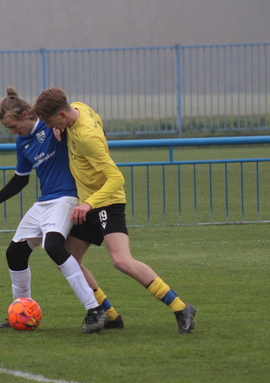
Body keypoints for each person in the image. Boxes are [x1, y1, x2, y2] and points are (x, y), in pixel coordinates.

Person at [32, 88, 196, 334]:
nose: (46, 125)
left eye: (50, 121)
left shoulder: (87, 137)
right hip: (88, 203)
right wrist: (59, 129)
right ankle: (110, 315)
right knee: (67, 260)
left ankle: (181, 307)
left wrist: (89, 204)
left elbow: (116, 178)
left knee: (121, 260)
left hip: (107, 202)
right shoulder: (79, 106)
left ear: (63, 114)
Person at [0, 87, 123, 333]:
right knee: (15, 253)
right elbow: (20, 179)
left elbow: (73, 114)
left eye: (13, 126)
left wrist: (60, 128)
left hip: (67, 198)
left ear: (25, 114)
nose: (12, 132)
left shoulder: (53, 124)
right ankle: (20, 310)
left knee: (54, 247)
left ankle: (94, 309)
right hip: (45, 202)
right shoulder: (23, 143)